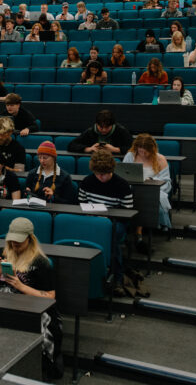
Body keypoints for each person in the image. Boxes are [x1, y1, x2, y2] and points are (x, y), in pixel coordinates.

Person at [0, 217, 64, 380]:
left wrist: (20, 286)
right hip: (3, 301)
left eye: (19, 241)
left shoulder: (41, 262)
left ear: (30, 239)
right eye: (12, 241)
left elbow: (50, 297)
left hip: (32, 306)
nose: (15, 245)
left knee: (42, 327)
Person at [77, 150, 133, 291]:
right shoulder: (87, 182)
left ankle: (118, 278)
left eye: (105, 174)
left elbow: (127, 213)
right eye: (98, 174)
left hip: (114, 222)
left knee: (112, 237)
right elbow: (81, 205)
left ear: (111, 170)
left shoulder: (122, 185)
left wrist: (107, 218)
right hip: (91, 219)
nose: (101, 177)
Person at [124, 133, 173, 231]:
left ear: (152, 149)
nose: (142, 153)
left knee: (146, 199)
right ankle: (136, 227)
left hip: (153, 189)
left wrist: (151, 182)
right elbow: (124, 174)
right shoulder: (130, 156)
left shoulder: (160, 159)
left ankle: (140, 229)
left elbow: (166, 181)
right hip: (133, 188)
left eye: (145, 151)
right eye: (140, 150)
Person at [68, 109, 132, 155]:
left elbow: (133, 148)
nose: (103, 130)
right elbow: (71, 145)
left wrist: (115, 149)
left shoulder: (121, 131)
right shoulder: (90, 131)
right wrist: (89, 149)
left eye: (107, 127)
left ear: (113, 125)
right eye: (101, 127)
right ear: (96, 124)